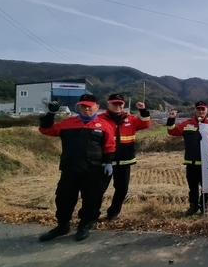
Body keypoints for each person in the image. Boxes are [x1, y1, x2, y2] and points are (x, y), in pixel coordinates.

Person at [38, 94, 115, 241]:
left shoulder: (104, 126)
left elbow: (109, 146)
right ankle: (62, 226)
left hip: (93, 170)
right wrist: (51, 113)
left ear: (97, 107)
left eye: (90, 106)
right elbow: (45, 130)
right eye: (83, 106)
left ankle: (85, 224)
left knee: (92, 200)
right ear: (78, 107)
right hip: (70, 169)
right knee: (63, 199)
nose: (86, 109)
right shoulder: (67, 123)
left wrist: (108, 163)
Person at [98, 94, 151, 221]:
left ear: (123, 105)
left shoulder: (130, 119)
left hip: (124, 160)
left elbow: (145, 124)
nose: (118, 106)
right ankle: (92, 214)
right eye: (114, 103)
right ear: (108, 104)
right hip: (105, 161)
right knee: (98, 190)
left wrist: (143, 110)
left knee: (122, 189)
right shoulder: (100, 119)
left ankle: (113, 213)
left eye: (120, 104)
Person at [167, 101, 208, 216]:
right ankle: (193, 206)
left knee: (206, 188)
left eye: (203, 109)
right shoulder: (187, 124)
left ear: (207, 111)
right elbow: (172, 131)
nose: (201, 111)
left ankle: (204, 207)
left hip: (206, 163)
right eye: (199, 109)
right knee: (192, 187)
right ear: (195, 110)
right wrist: (171, 119)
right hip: (190, 162)